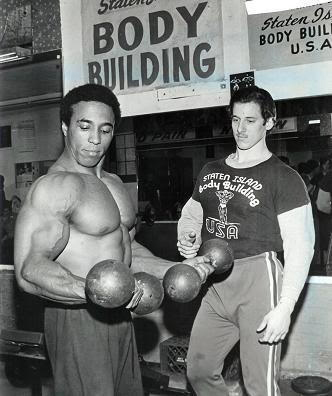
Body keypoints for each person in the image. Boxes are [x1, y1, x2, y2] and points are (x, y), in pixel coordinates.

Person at [14, 83, 213, 396]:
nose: (95, 140)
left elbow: (127, 250)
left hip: (119, 315)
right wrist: (98, 293)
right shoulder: (56, 186)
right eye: (85, 127)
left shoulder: (114, 184)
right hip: (76, 318)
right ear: (65, 127)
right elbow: (30, 269)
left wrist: (181, 267)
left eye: (105, 130)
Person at [177, 86, 315, 396]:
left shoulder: (283, 177)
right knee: (198, 370)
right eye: (236, 119)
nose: (241, 128)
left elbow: (301, 245)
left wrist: (286, 306)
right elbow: (193, 211)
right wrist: (186, 237)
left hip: (259, 281)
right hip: (215, 280)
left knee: (259, 386)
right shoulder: (210, 170)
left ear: (269, 121)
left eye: (250, 120)